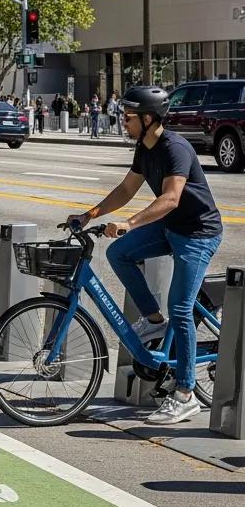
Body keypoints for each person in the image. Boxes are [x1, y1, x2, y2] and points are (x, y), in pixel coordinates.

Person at [68, 85, 222, 424]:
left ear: (148, 118)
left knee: (181, 307)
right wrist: (90, 214)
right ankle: (154, 322)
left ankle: (184, 394)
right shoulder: (144, 146)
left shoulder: (175, 148)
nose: (123, 121)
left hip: (198, 234)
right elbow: (126, 188)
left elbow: (170, 198)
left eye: (128, 117)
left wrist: (130, 222)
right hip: (171, 228)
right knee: (120, 254)